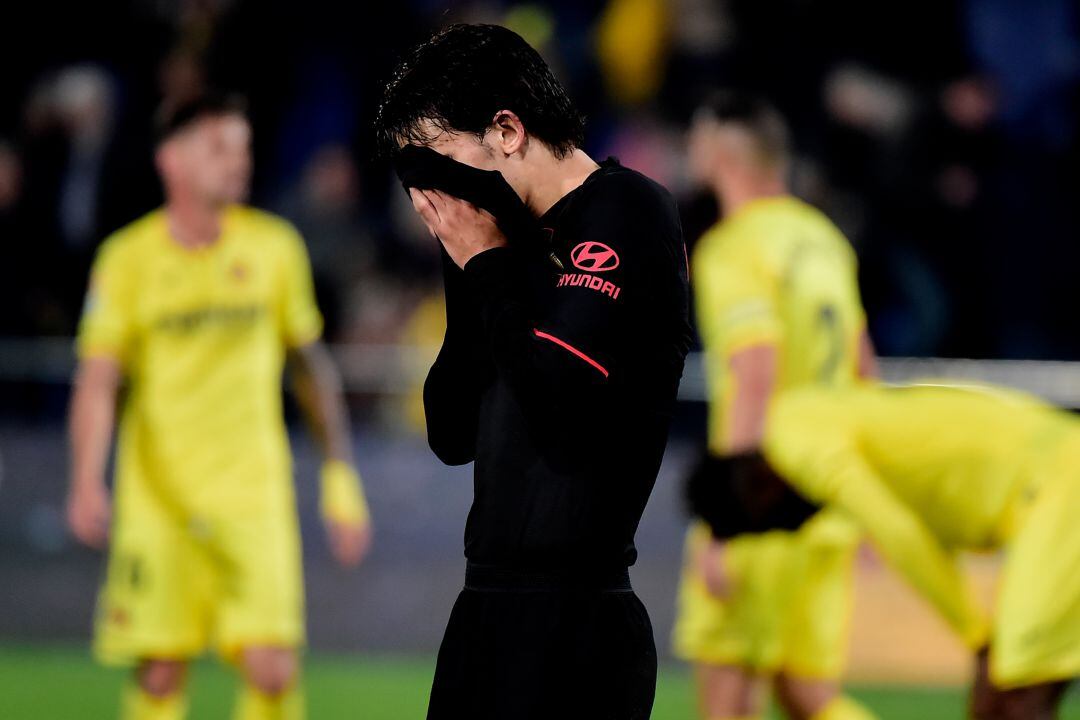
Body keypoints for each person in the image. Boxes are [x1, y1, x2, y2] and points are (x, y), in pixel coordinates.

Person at [375, 23, 693, 720]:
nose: (429, 196)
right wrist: (470, 265)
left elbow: (563, 407)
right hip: (482, 613)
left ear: (508, 131)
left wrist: (487, 263)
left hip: (579, 627)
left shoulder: (630, 211)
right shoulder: (496, 241)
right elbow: (451, 434)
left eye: (439, 162)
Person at [66, 93, 372, 720]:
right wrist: (85, 478)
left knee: (272, 665)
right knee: (159, 670)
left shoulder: (274, 248)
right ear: (171, 160)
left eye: (244, 149)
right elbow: (98, 380)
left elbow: (311, 369)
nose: (236, 163)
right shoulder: (127, 260)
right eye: (218, 148)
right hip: (159, 498)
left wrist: (339, 478)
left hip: (252, 496)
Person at [692, 381, 1080, 720]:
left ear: (758, 494)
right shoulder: (796, 413)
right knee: (999, 699)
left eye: (772, 528)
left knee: (1009, 698)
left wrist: (976, 632)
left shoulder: (808, 456)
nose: (793, 531)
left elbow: (899, 534)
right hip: (1054, 474)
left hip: (1058, 488)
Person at [672, 92, 878, 720]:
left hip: (762, 501)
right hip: (826, 499)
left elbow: (756, 371)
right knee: (805, 695)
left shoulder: (734, 248)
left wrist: (724, 519)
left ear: (720, 155)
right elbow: (863, 366)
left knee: (727, 697)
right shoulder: (824, 240)